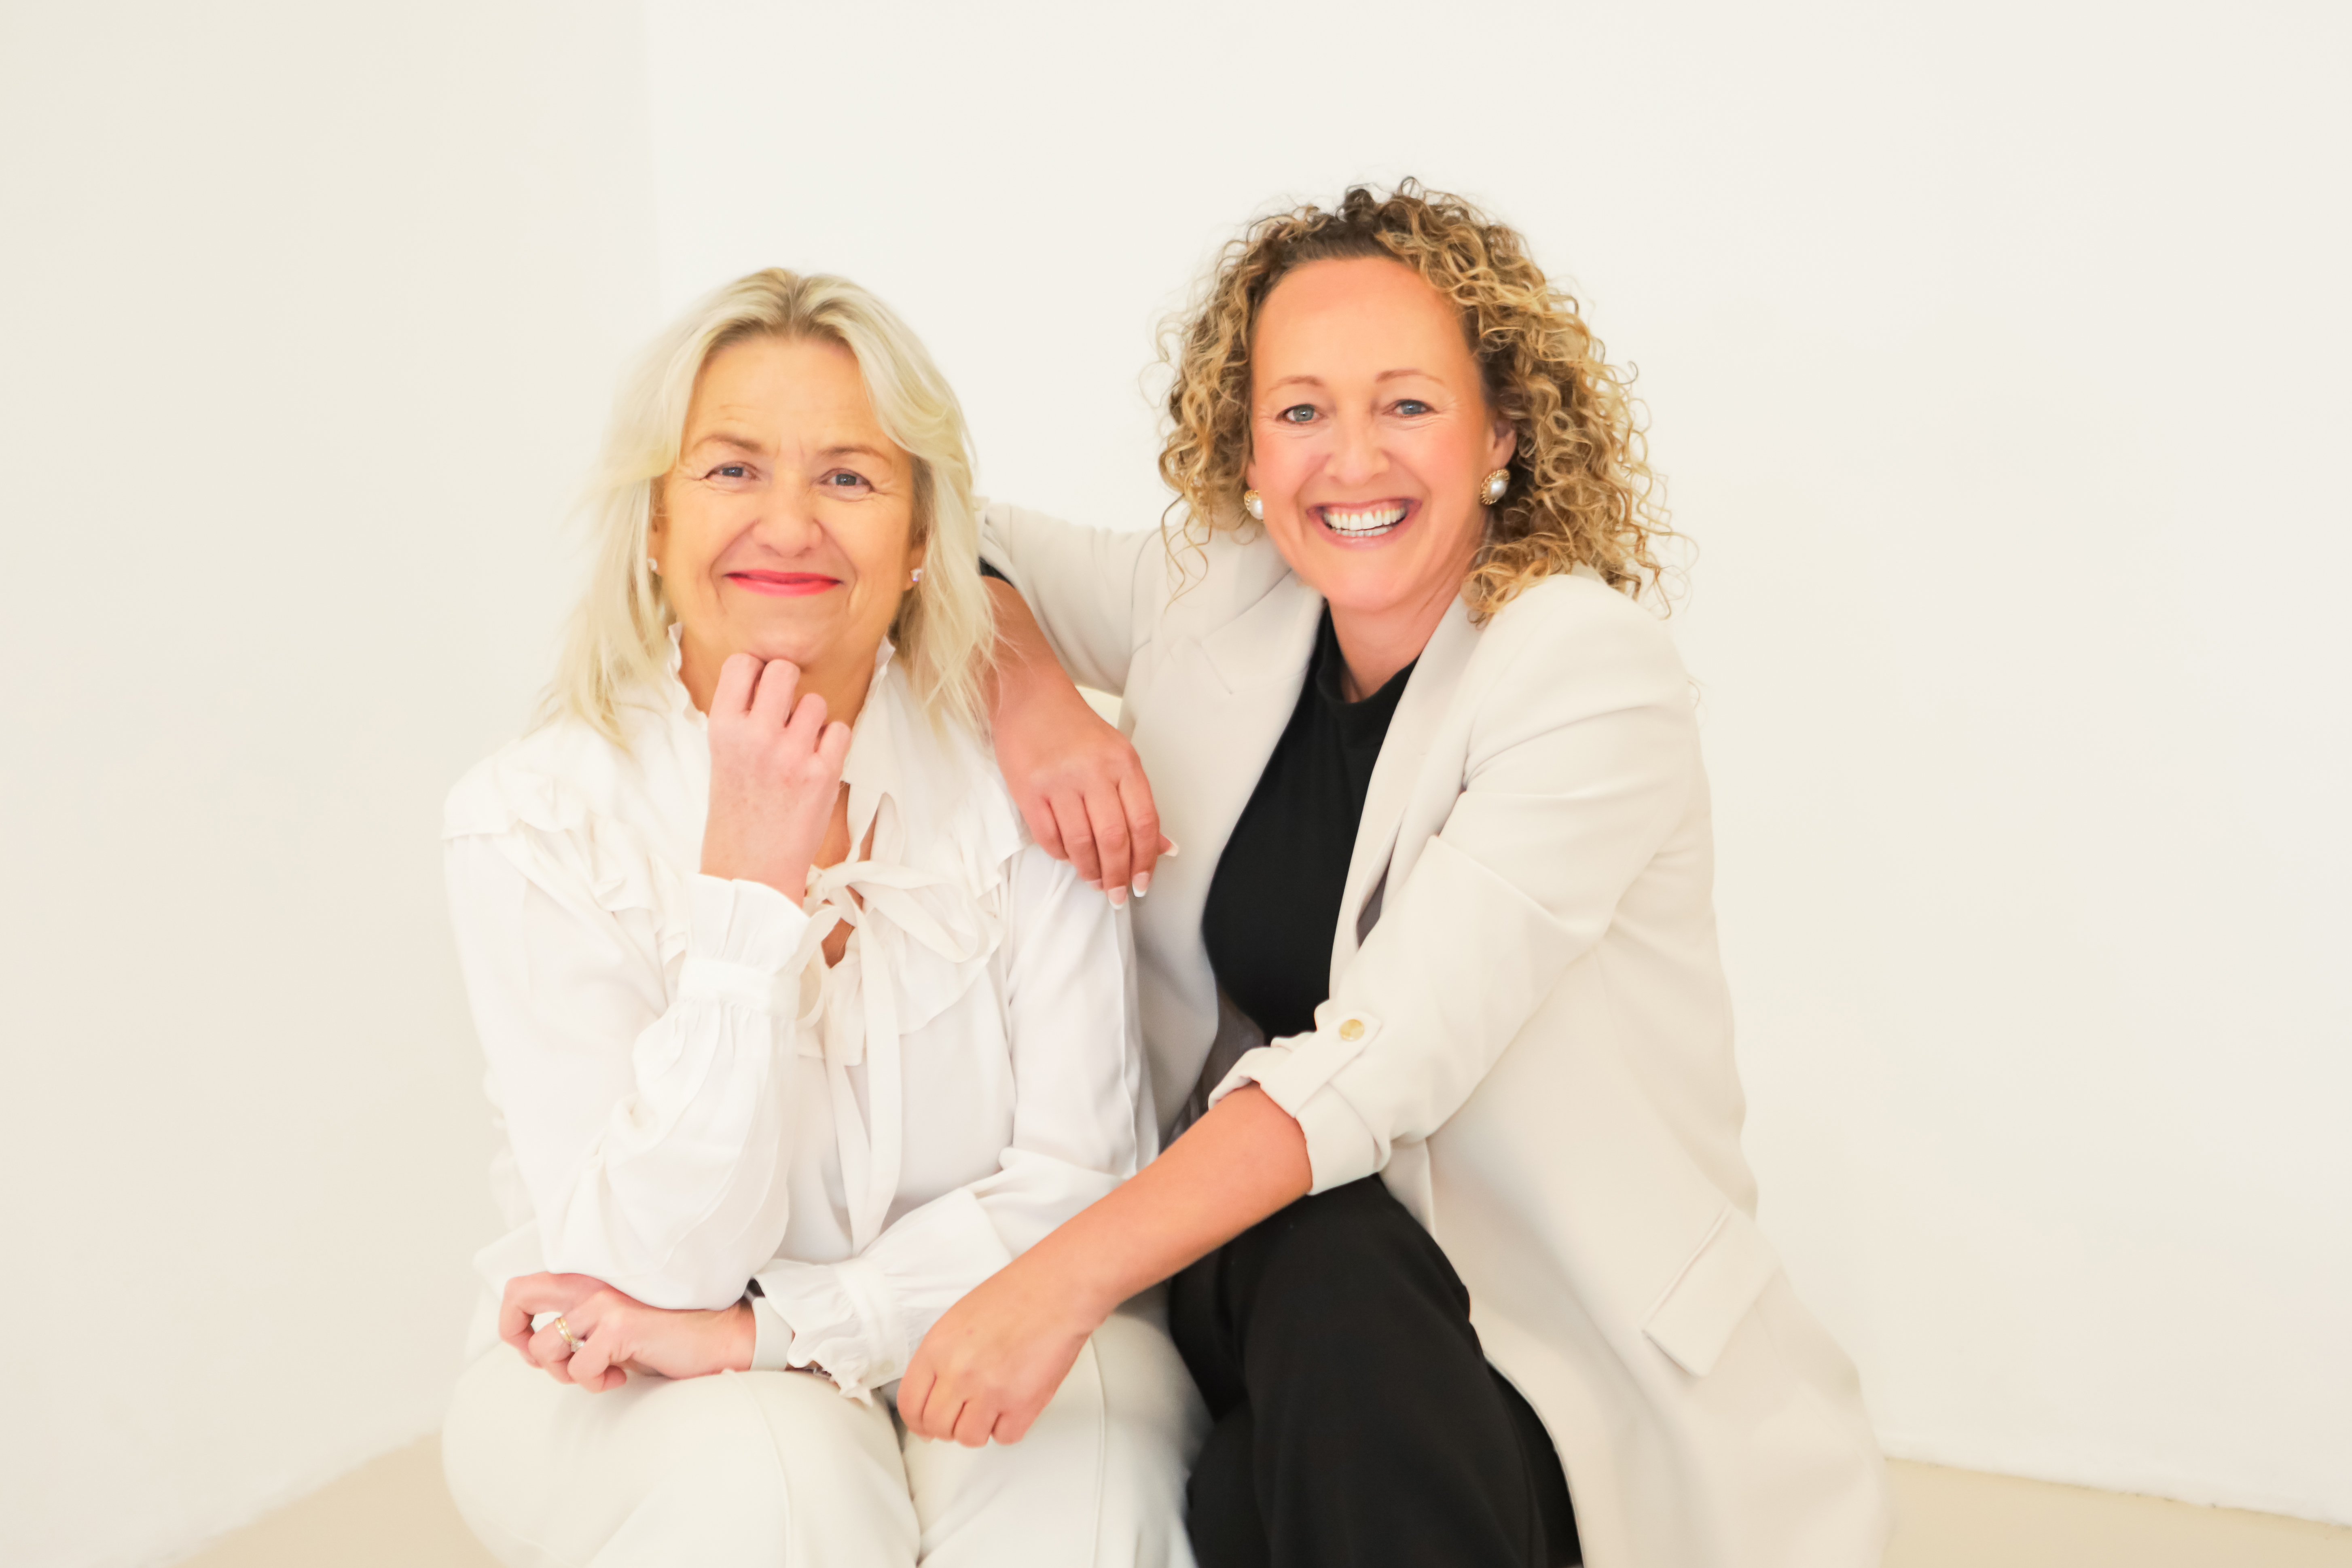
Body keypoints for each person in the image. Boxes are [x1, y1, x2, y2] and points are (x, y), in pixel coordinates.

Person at [903, 184, 1892, 1568]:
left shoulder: (1583, 670)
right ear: (1247, 446)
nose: (1351, 459)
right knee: (1319, 1264)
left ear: (1503, 431)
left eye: (1408, 405)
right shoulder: (1220, 596)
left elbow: (1379, 1060)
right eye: (1301, 409)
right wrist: (1038, 707)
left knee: (1251, 1491)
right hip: (1305, 1303)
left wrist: (1055, 1283)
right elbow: (951, 536)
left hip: (1567, 1346)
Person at [436, 268, 1203, 1567]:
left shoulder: (1031, 785)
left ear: (923, 540)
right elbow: (649, 1278)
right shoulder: (532, 820)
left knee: (1084, 1456)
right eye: (732, 470)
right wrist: (744, 903)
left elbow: (1081, 1186)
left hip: (983, 1310)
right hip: (624, 1378)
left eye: (849, 477)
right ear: (656, 524)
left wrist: (791, 1328)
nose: (788, 524)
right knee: (773, 1480)